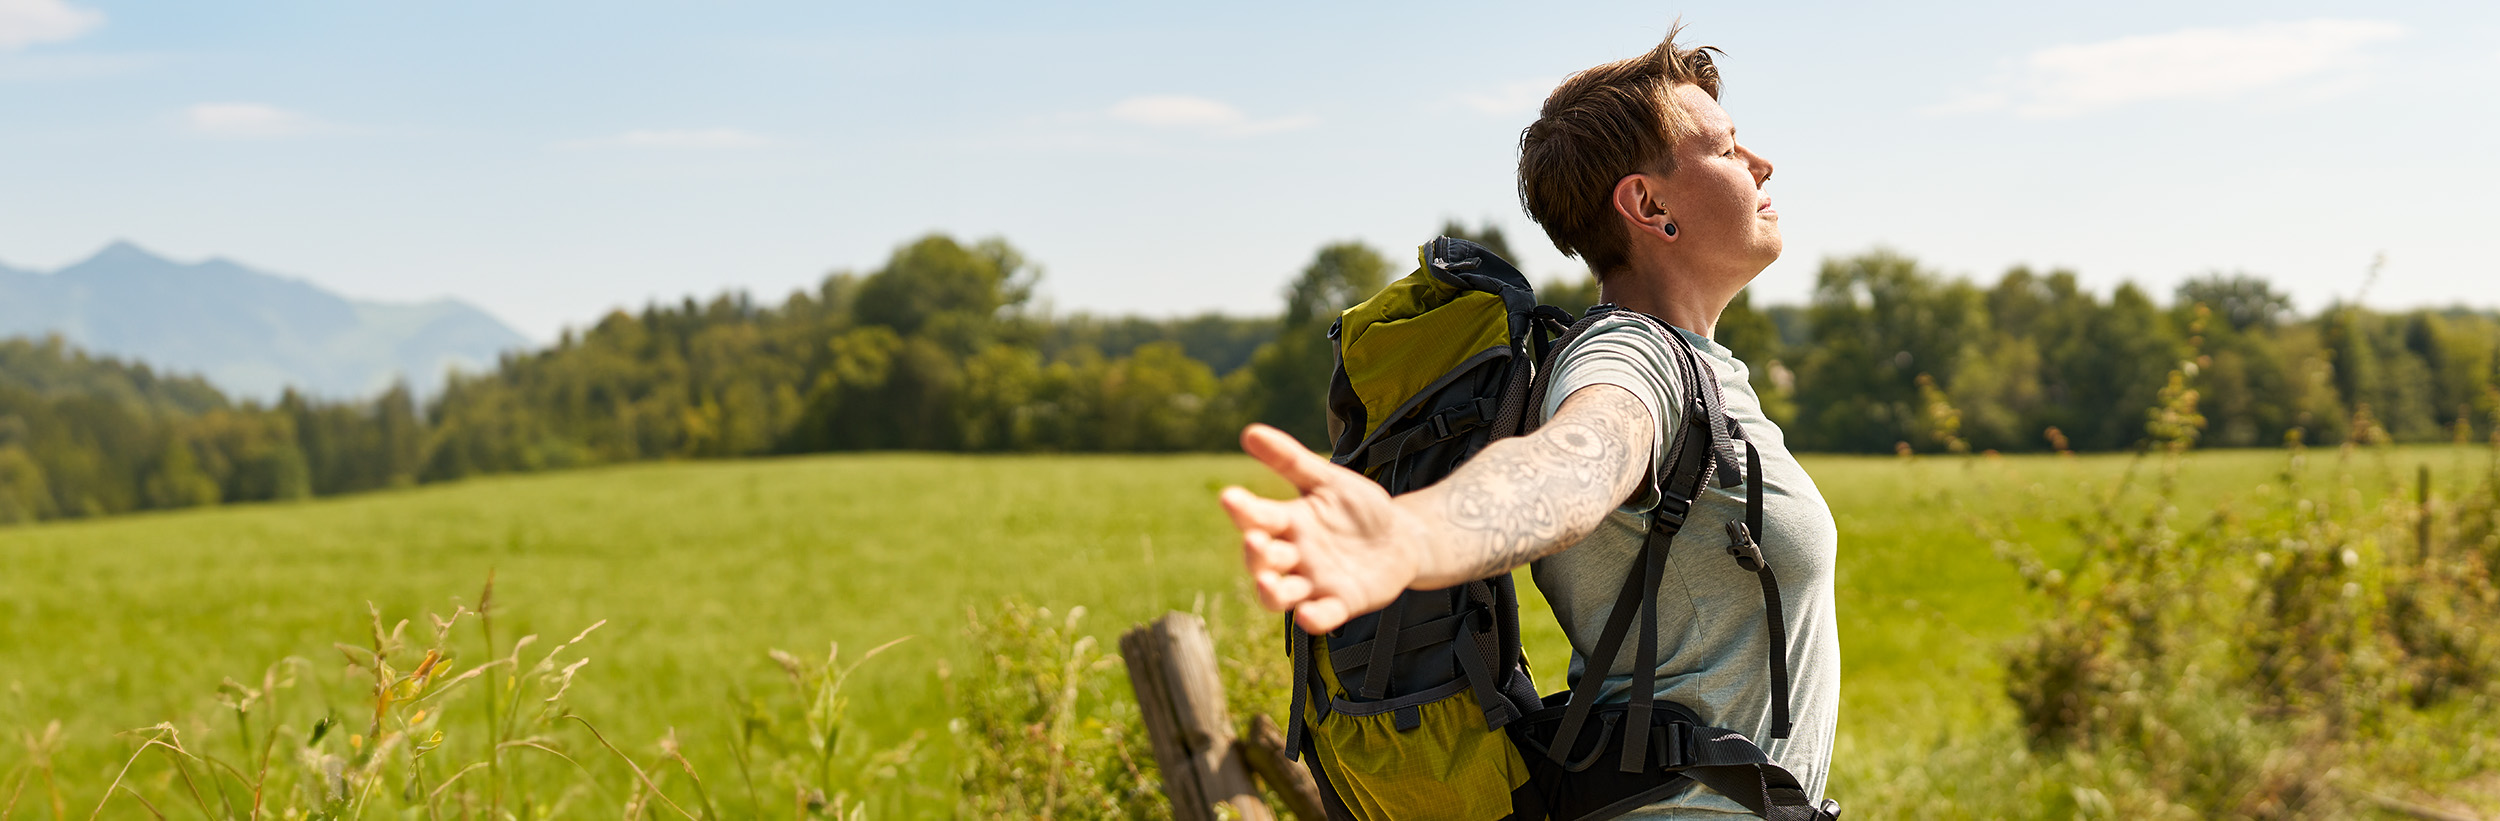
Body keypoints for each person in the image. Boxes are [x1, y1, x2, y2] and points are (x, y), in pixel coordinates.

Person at [1218, 27, 1839, 817]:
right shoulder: (1629, 358)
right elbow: (1575, 459)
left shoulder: (1706, 369)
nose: (1762, 163)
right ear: (1648, 205)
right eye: (1724, 148)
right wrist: (1414, 537)